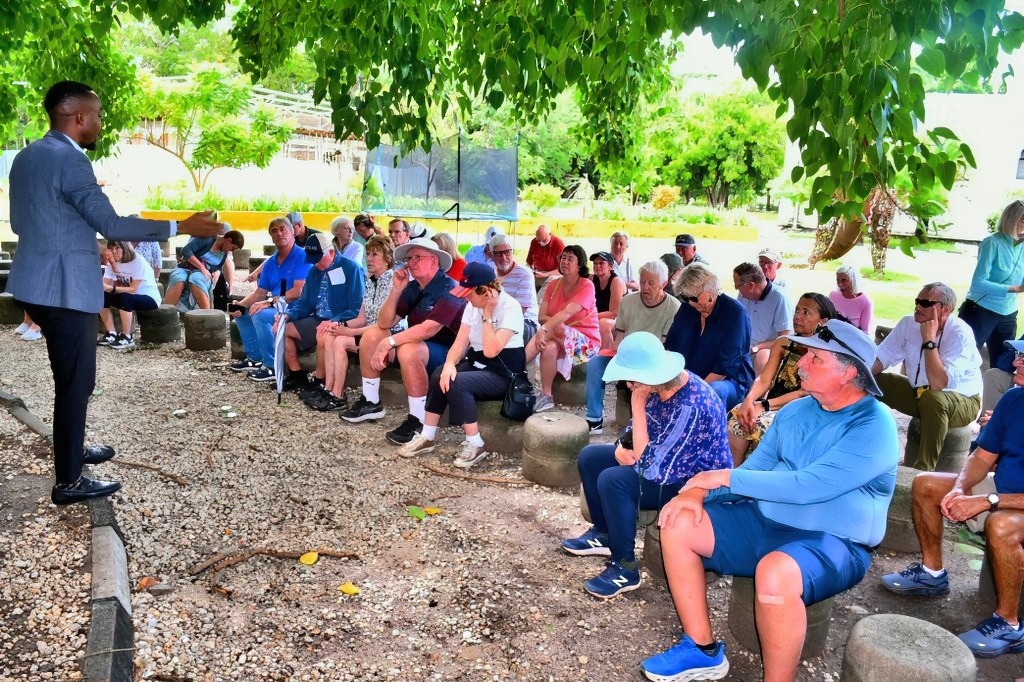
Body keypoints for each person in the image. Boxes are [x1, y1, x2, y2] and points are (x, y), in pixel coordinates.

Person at [643, 320, 898, 682]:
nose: (801, 364)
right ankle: (702, 649)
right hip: (763, 521)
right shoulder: (796, 411)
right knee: (679, 520)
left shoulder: (874, 426)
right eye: (805, 353)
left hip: (833, 541)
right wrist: (698, 492)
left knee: (775, 573)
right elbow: (756, 472)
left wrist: (722, 475)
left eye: (815, 358)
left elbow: (809, 485)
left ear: (849, 372)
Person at [7, 80, 221, 505]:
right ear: (78, 116)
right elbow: (115, 225)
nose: (101, 122)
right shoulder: (71, 162)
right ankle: (69, 481)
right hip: (63, 290)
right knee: (76, 382)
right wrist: (182, 226)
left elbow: (21, 223)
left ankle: (73, 449)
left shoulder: (27, 157)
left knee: (71, 379)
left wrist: (70, 235)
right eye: (98, 114)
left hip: (33, 282)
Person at [880, 339, 1024, 659]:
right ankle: (933, 575)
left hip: (1010, 503)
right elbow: (983, 458)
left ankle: (1009, 625)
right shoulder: (1014, 399)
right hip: (1000, 491)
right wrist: (959, 487)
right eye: (1019, 355)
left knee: (1001, 526)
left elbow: (995, 500)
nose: (1016, 364)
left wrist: (987, 501)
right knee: (926, 484)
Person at [563, 332, 731, 598]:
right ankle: (604, 533)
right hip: (662, 461)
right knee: (590, 457)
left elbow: (651, 468)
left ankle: (625, 567)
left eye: (631, 379)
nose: (629, 385)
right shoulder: (657, 386)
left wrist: (637, 405)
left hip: (691, 482)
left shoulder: (690, 404)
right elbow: (634, 436)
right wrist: (621, 448)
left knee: (613, 481)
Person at [341, 237, 466, 447]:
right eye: (409, 258)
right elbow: (384, 322)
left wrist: (389, 342)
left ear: (435, 261)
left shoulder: (450, 288)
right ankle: (371, 401)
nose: (411, 262)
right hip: (423, 346)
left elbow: (429, 329)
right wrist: (396, 290)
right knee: (373, 334)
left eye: (417, 257)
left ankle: (418, 420)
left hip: (452, 353)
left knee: (408, 349)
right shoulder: (412, 287)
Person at [400, 262, 525, 468]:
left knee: (458, 382)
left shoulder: (510, 307)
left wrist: (488, 315)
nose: (466, 297)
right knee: (441, 373)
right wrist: (449, 363)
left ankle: (475, 442)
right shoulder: (471, 306)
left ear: (485, 291)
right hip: (478, 363)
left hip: (504, 372)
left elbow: (491, 350)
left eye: (470, 293)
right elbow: (460, 342)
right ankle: (427, 435)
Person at [872, 283, 983, 471]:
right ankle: (866, 448)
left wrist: (929, 340)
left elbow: (939, 383)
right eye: (917, 301)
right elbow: (881, 357)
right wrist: (854, 376)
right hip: (921, 394)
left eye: (925, 303)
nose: (917, 306)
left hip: (963, 401)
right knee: (870, 380)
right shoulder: (908, 324)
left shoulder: (960, 333)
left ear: (945, 309)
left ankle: (922, 471)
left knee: (933, 399)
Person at [728, 293, 839, 465]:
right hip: (771, 404)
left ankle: (758, 481)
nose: (797, 316)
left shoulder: (824, 352)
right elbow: (764, 379)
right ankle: (734, 475)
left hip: (800, 409)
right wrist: (749, 401)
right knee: (738, 416)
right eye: (797, 311)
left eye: (806, 312)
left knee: (764, 426)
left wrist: (763, 406)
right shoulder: (784, 342)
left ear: (823, 321)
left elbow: (804, 393)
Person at [303, 235, 400, 412]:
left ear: (387, 258)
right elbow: (361, 318)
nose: (369, 258)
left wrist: (349, 332)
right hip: (367, 331)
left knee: (340, 340)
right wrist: (340, 325)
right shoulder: (371, 281)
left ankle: (338, 395)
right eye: (368, 253)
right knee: (332, 334)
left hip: (387, 336)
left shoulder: (393, 282)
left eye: (375, 254)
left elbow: (384, 324)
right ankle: (330, 389)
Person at [584, 261, 680, 434]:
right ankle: (594, 418)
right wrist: (618, 359)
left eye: (651, 283)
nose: (645, 287)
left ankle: (645, 423)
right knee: (595, 364)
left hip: (653, 360)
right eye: (642, 282)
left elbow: (665, 345)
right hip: (626, 354)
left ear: (663, 284)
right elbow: (619, 336)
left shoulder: (673, 307)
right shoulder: (627, 301)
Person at [272, 233, 364, 392]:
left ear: (331, 252)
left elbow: (357, 307)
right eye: (313, 260)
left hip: (339, 321)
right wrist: (288, 315)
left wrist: (336, 320)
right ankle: (297, 375)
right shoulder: (314, 271)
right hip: (317, 318)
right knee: (282, 329)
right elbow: (304, 303)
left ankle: (319, 379)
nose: (316, 264)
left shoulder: (351, 269)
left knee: (323, 332)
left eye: (318, 259)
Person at [665, 264, 754, 411]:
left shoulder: (734, 313)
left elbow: (725, 367)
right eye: (686, 298)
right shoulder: (687, 309)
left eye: (694, 298)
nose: (692, 303)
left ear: (710, 289)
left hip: (728, 381)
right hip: (688, 378)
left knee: (713, 391)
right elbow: (671, 348)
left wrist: (691, 392)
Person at [229, 218, 310, 379]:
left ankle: (272, 365)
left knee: (259, 315)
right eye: (274, 231)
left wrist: (269, 302)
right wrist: (239, 305)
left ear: (292, 232)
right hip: (277, 304)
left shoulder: (302, 256)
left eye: (283, 229)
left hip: (298, 307)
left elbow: (299, 290)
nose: (279, 233)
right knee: (241, 313)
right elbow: (260, 292)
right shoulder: (271, 262)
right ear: (271, 237)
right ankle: (255, 358)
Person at [524, 245, 601, 413]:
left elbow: (567, 312)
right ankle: (546, 396)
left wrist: (544, 329)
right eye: (563, 258)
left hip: (586, 345)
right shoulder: (553, 285)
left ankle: (516, 366)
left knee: (555, 328)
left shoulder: (587, 285)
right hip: (560, 337)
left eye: (570, 259)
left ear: (579, 265)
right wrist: (552, 325)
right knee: (550, 347)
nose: (565, 262)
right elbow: (541, 316)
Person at [959, 200, 1024, 371]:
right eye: (1023, 220)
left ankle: (998, 399)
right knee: (962, 359)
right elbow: (978, 283)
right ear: (1012, 219)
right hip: (980, 311)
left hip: (1008, 314)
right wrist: (1014, 289)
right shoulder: (992, 243)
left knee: (1004, 366)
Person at [97, 240, 161, 350]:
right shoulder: (112, 262)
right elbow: (105, 283)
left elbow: (133, 289)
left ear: (125, 248)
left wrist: (111, 288)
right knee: (101, 296)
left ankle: (127, 336)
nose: (114, 252)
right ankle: (111, 333)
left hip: (148, 297)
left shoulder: (137, 261)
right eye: (111, 249)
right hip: (126, 295)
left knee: (125, 297)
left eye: (117, 248)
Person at [734, 261, 794, 375]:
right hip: (745, 347)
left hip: (767, 349)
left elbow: (786, 338)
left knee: (762, 356)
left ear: (751, 285)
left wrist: (756, 348)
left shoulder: (779, 298)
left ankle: (757, 392)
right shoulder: (743, 295)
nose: (736, 289)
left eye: (738, 286)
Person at [163, 230, 245, 312]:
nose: (231, 251)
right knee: (178, 278)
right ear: (229, 240)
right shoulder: (207, 239)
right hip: (186, 267)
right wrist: (201, 267)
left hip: (203, 275)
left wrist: (217, 272)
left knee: (196, 279)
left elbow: (217, 267)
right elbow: (186, 250)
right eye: (233, 248)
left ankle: (207, 316)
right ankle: (167, 314)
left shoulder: (224, 253)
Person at [487, 233, 539, 344]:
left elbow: (519, 311)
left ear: (512, 251)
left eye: (507, 252)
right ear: (491, 255)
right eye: (498, 254)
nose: (504, 257)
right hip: (496, 318)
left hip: (525, 322)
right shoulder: (489, 271)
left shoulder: (524, 274)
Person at [589, 251, 626, 350]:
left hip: (620, 320)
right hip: (598, 317)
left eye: (601, 263)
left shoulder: (616, 281)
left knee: (603, 324)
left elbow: (614, 313)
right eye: (595, 264)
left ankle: (607, 357)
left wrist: (590, 317)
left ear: (610, 267)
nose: (597, 266)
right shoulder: (593, 279)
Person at [829, 265, 873, 334]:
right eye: (838, 280)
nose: (840, 284)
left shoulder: (865, 303)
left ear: (853, 281)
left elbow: (865, 333)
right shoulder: (833, 296)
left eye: (844, 280)